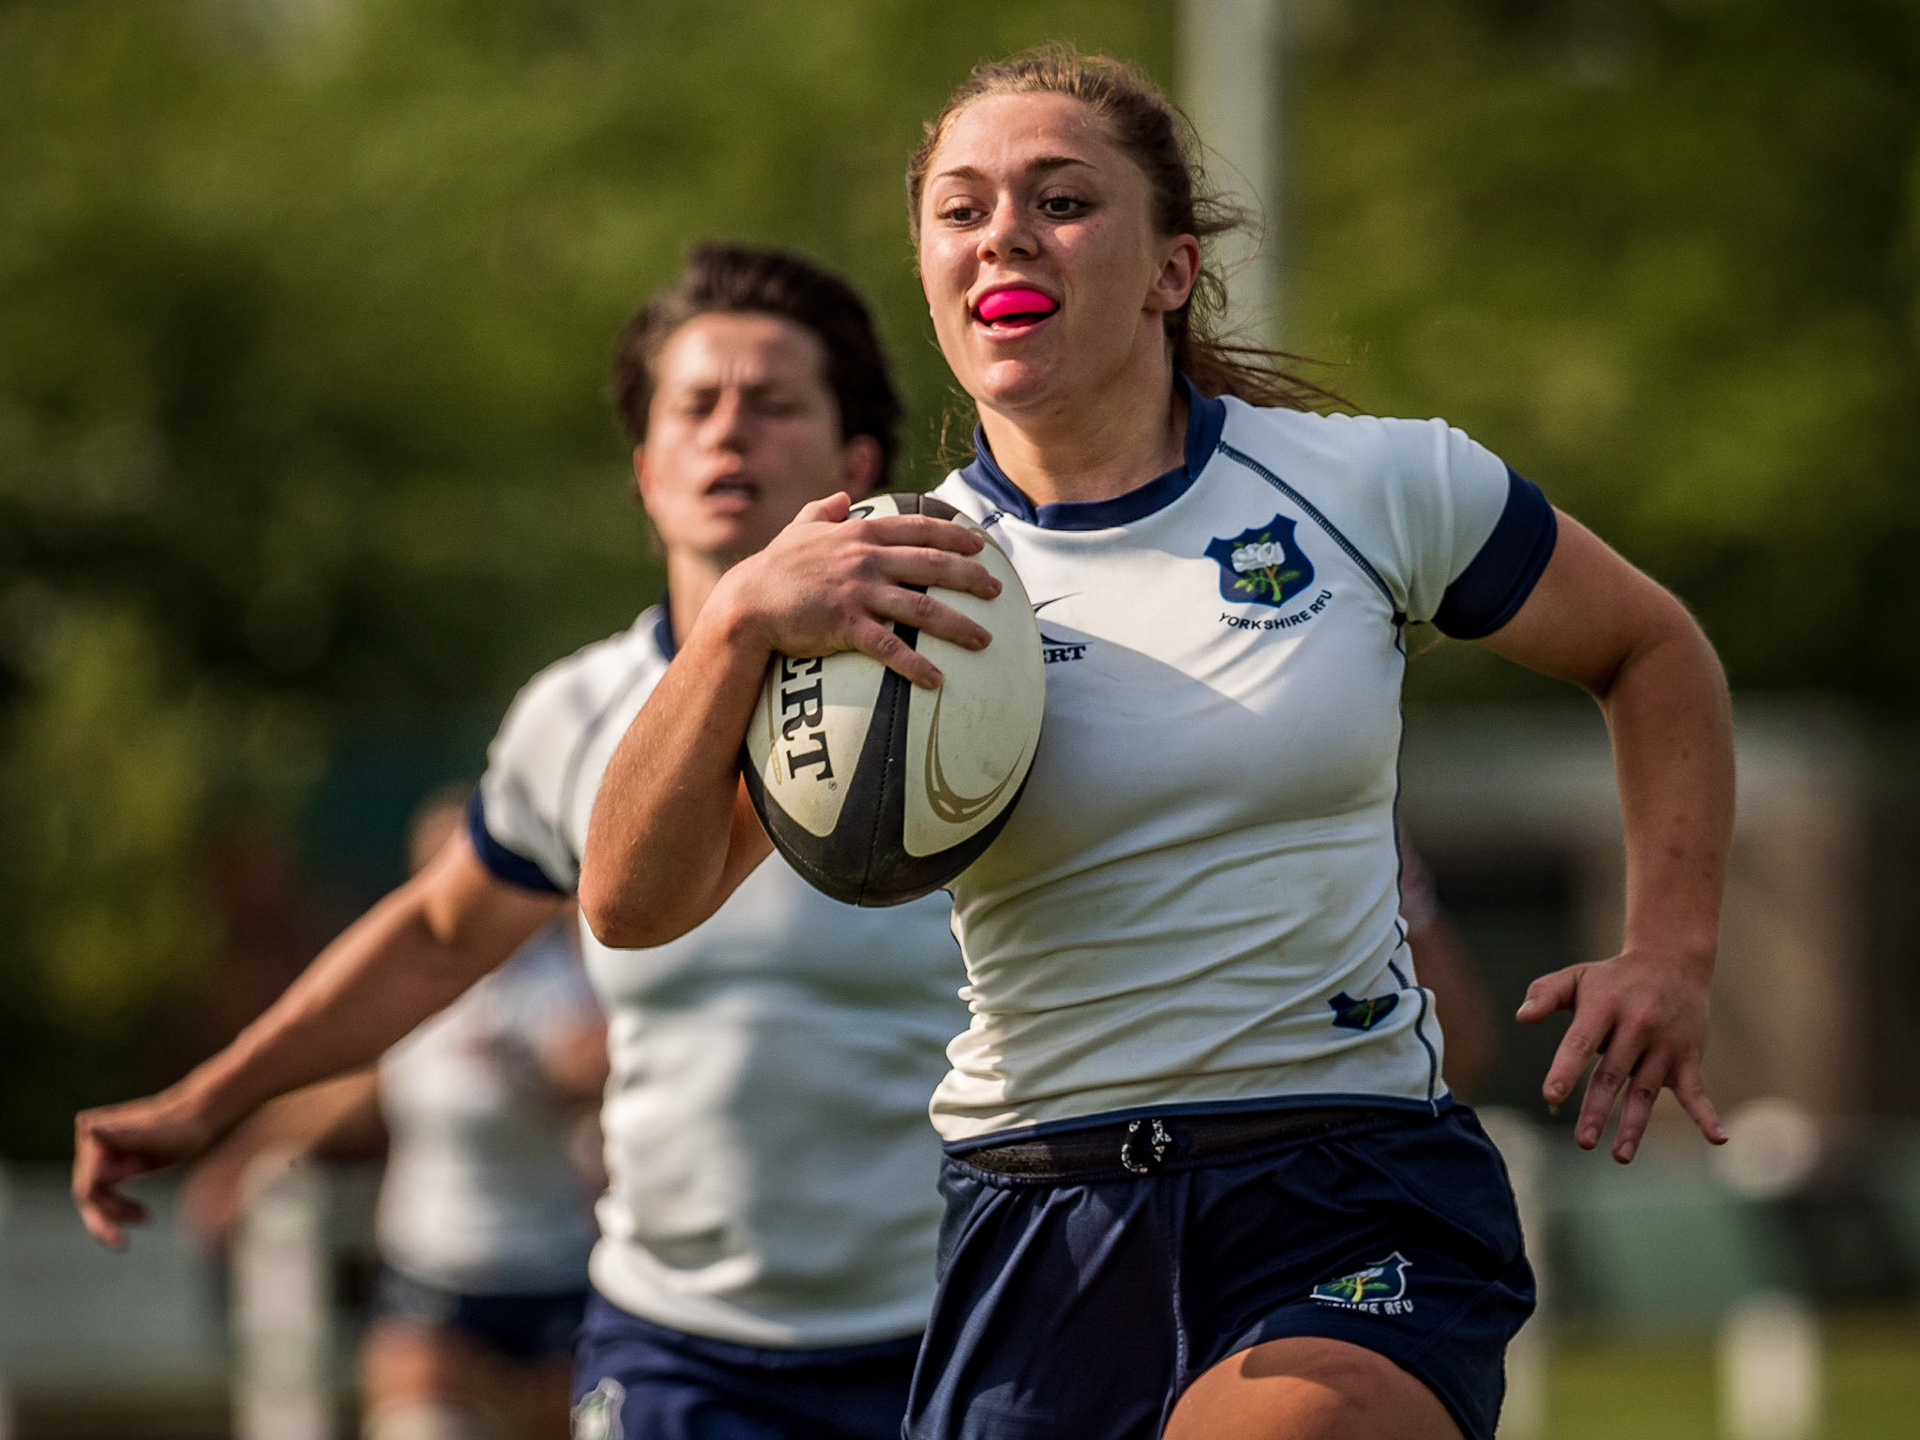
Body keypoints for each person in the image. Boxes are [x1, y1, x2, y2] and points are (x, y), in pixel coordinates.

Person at [576, 51, 1735, 1440]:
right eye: (961, 209)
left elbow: (1652, 651)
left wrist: (1670, 949)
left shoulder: (1375, 483)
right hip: (1042, 1218)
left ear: (1171, 271)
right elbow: (631, 904)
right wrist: (736, 629)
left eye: (1062, 200)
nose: (1004, 231)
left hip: (1343, 1184)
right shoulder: (897, 576)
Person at [73, 244, 967, 1440]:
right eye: (694, 406)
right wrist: (209, 1101)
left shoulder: (951, 692)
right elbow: (439, 939)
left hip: (947, 1332)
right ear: (645, 468)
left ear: (855, 464)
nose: (729, 434)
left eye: (773, 403)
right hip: (674, 1346)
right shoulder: (575, 713)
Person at [181, 789, 606, 1440]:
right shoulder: (411, 983)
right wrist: (240, 1161)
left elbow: (602, 1059)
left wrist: (535, 1068)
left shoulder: (561, 969)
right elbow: (354, 1086)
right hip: (431, 1266)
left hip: (553, 1264)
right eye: (429, 862)